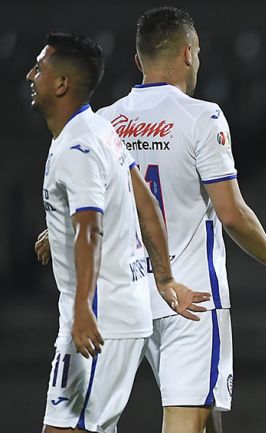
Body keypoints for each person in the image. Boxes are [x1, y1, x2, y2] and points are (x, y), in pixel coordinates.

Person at [97, 7, 266, 433]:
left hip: (122, 296)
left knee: (195, 419)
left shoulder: (104, 122)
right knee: (186, 422)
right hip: (190, 297)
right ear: (190, 53)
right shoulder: (201, 116)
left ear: (138, 61)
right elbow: (231, 213)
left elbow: (94, 208)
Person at [29, 32, 206, 433]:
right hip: (114, 309)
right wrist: (163, 278)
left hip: (100, 314)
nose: (29, 75)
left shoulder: (79, 147)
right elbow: (142, 200)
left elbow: (89, 229)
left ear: (61, 84)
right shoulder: (98, 129)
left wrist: (82, 311)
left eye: (39, 68)